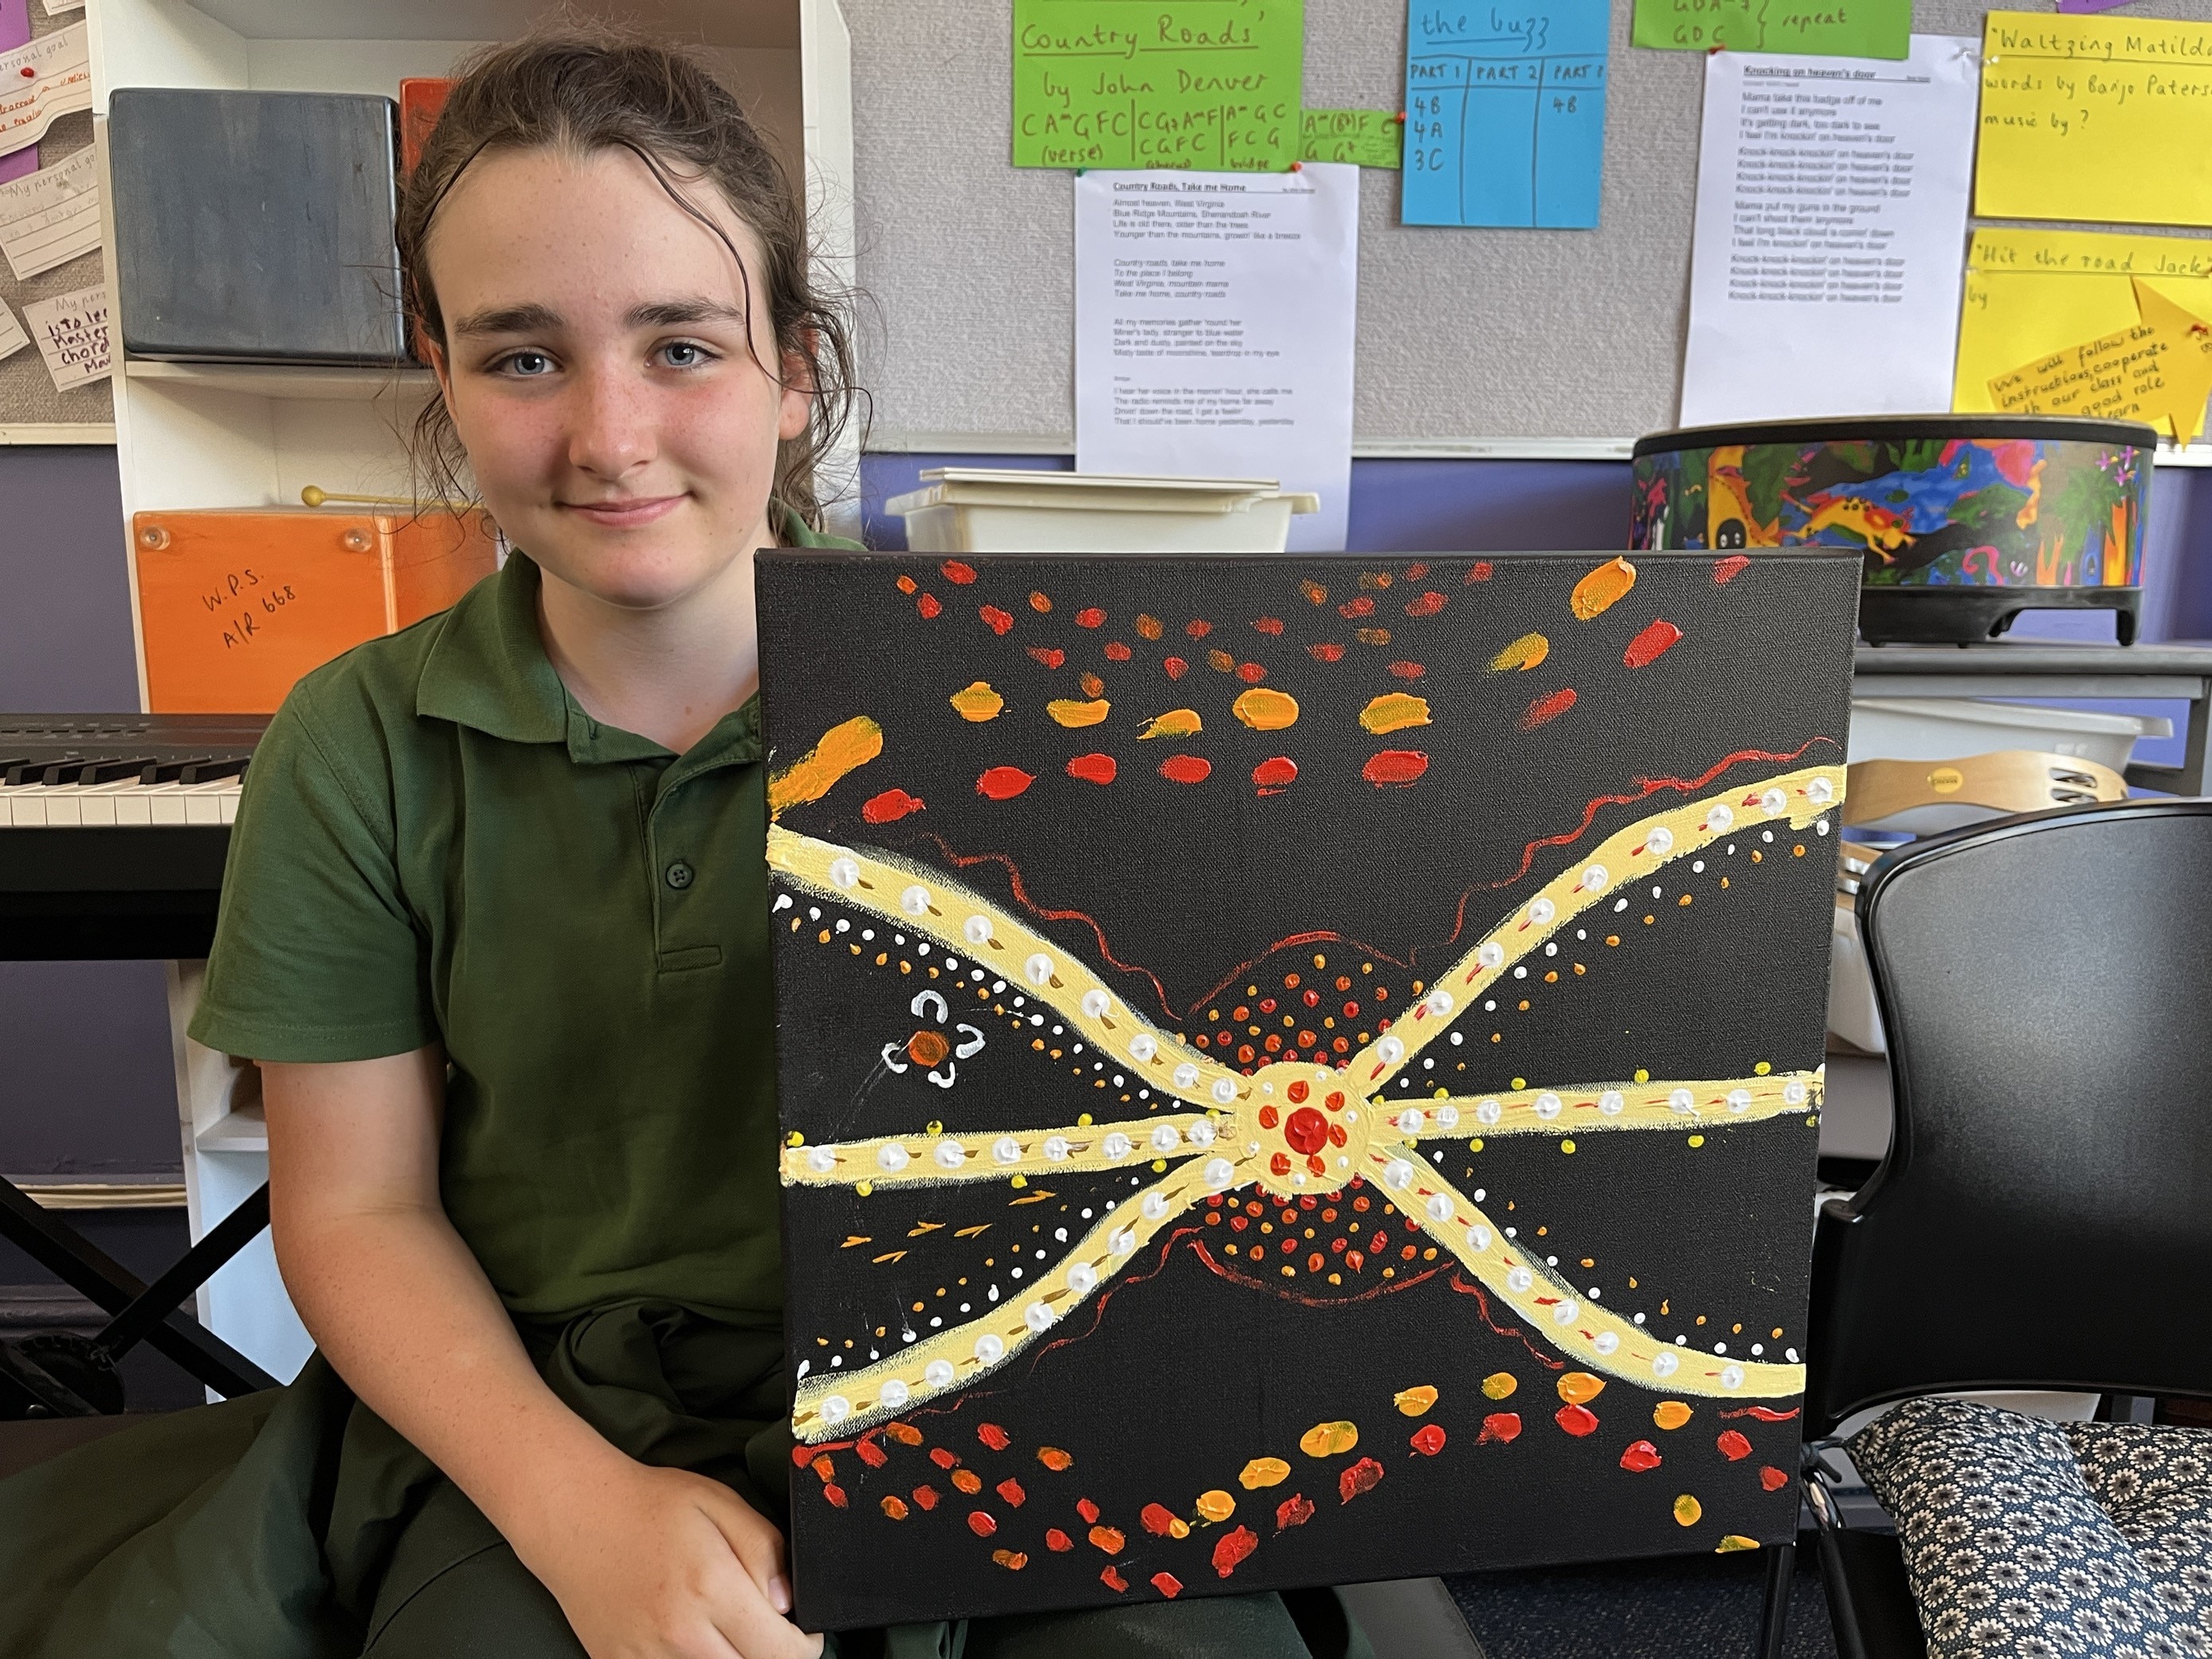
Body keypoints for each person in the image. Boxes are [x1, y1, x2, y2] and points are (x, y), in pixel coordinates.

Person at [0, 27, 1371, 1659]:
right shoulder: (359, 739)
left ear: (794, 368)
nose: (609, 434)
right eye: (521, 358)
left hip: (987, 1386)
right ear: (437, 369)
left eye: (681, 347)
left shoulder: (1012, 702)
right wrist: (576, 1510)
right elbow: (355, 1210)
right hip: (544, 1411)